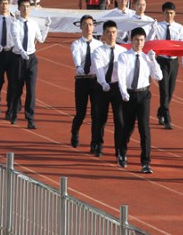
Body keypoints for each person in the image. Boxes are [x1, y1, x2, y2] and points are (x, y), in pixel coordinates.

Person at [117, 27, 162, 174]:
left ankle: (145, 162)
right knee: (128, 127)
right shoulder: (124, 56)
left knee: (144, 129)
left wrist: (153, 60)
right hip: (129, 94)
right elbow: (121, 75)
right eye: (136, 39)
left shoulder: (147, 57)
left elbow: (158, 76)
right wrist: (123, 91)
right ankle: (122, 153)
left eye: (142, 40)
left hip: (144, 95)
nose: (139, 43)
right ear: (131, 40)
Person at [9, 0, 50, 128]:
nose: (26, 9)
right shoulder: (15, 24)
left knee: (31, 90)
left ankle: (30, 118)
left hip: (31, 59)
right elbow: (16, 39)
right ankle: (14, 113)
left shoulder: (33, 23)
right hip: (18, 59)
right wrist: (21, 51)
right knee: (17, 89)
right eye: (23, 6)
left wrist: (47, 27)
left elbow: (41, 39)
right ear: (19, 8)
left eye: (28, 6)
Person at [147, 2, 183, 130]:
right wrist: (153, 30)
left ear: (174, 13)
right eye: (166, 13)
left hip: (174, 61)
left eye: (171, 13)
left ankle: (161, 112)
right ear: (163, 13)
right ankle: (167, 119)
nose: (169, 15)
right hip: (162, 61)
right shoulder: (158, 26)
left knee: (170, 90)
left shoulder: (179, 27)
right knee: (163, 90)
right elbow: (149, 41)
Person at [92, 20, 127, 160]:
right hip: (102, 87)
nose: (111, 35)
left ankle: (119, 148)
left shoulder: (123, 51)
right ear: (103, 34)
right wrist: (103, 83)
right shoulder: (98, 51)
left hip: (117, 87)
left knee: (119, 120)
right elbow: (99, 69)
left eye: (113, 32)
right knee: (101, 118)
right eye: (108, 32)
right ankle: (98, 144)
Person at [69, 15, 103, 149]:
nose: (88, 27)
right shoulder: (76, 44)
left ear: (94, 26)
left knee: (96, 113)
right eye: (85, 24)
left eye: (90, 24)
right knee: (81, 112)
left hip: (96, 81)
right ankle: (75, 132)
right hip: (82, 80)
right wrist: (79, 67)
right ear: (81, 27)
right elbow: (76, 56)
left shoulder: (99, 45)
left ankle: (95, 143)